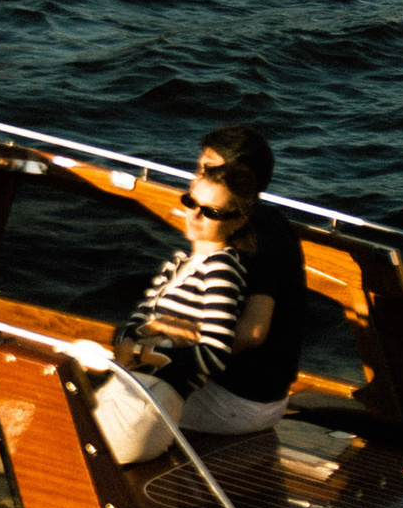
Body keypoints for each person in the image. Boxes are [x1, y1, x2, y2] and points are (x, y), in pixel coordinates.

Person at [118, 122, 306, 435]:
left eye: (208, 170)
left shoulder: (253, 238)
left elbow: (253, 332)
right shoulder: (268, 222)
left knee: (91, 399)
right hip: (259, 398)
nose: (198, 178)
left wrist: (166, 351)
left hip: (238, 402)